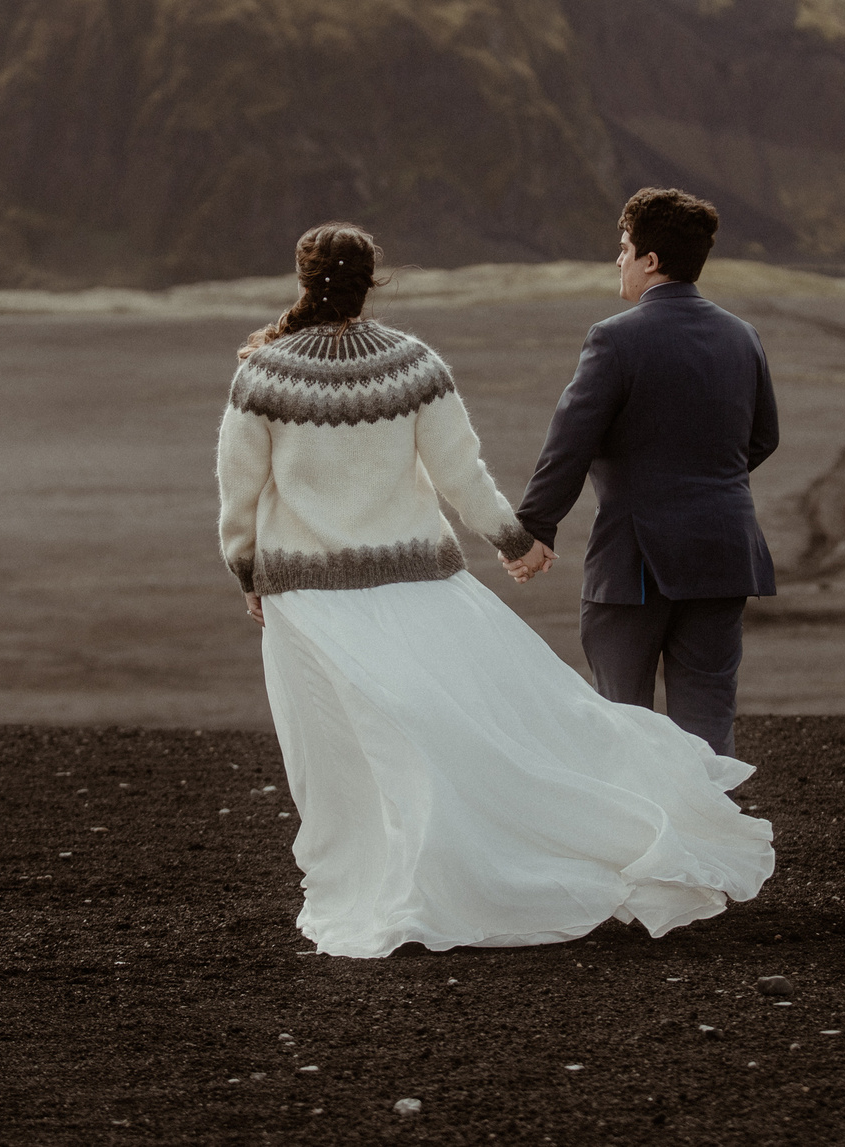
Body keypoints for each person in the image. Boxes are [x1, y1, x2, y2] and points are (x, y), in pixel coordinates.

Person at [217, 222, 774, 959]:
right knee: (445, 735)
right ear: (372, 280)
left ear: (301, 276)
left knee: (341, 754)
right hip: (415, 588)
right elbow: (461, 475)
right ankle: (509, 855)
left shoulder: (262, 374)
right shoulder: (413, 364)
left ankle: (378, 881)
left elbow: (238, 491)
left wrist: (246, 570)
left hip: (306, 600)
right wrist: (515, 540)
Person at [506, 188, 779, 759]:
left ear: (650, 261)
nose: (619, 261)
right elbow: (762, 439)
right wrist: (700, 479)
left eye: (625, 248)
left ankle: (645, 845)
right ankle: (712, 847)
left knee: (623, 727)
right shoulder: (743, 336)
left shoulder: (615, 337)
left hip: (636, 563)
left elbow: (569, 444)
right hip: (726, 553)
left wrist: (533, 529)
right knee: (707, 729)